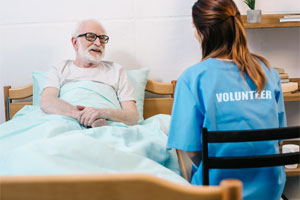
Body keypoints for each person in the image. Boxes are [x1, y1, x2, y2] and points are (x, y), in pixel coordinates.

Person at [167, 0, 286, 200]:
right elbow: (278, 137)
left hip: (218, 191)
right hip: (270, 188)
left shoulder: (192, 78)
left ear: (201, 32)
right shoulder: (267, 72)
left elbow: (192, 151)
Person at [40, 19, 139, 128]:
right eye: (91, 37)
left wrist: (101, 113)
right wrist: (83, 116)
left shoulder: (116, 70)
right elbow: (47, 102)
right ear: (75, 42)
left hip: (109, 126)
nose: (98, 43)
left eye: (102, 38)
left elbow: (132, 117)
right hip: (63, 124)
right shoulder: (60, 68)